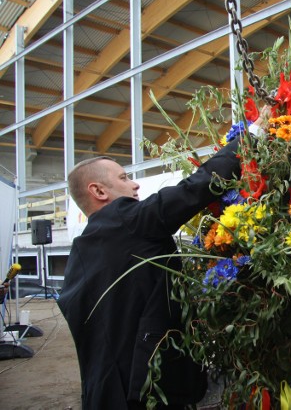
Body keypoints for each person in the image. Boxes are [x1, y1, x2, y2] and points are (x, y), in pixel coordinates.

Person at [57, 138, 242, 409]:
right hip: (147, 390)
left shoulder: (83, 250)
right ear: (98, 190)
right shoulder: (123, 220)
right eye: (123, 178)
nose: (135, 184)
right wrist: (250, 137)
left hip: (104, 392)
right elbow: (193, 190)